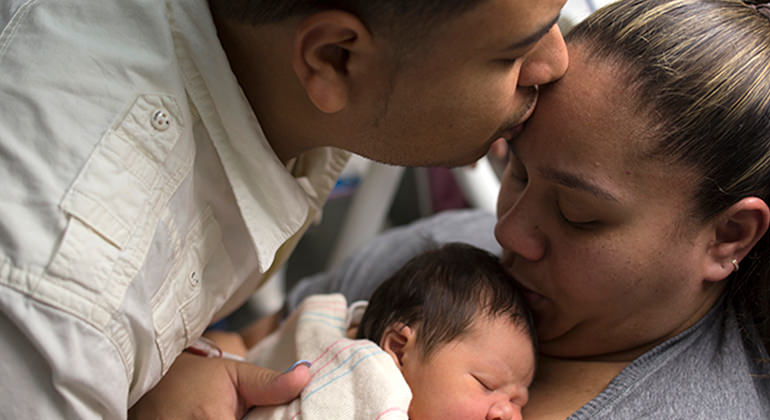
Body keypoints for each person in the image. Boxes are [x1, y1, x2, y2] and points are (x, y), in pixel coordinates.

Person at [0, 0, 568, 418]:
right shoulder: (66, 312)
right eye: (513, 52)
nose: (556, 62)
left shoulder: (308, 86)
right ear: (334, 59)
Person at [255, 0, 770, 417]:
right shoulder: (440, 265)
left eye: (576, 214)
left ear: (730, 235)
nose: (508, 231)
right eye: (518, 173)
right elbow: (265, 343)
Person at [220, 242, 536, 420]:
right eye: (486, 384)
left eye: (519, 401)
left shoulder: (326, 318)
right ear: (399, 349)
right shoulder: (371, 393)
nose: (509, 415)